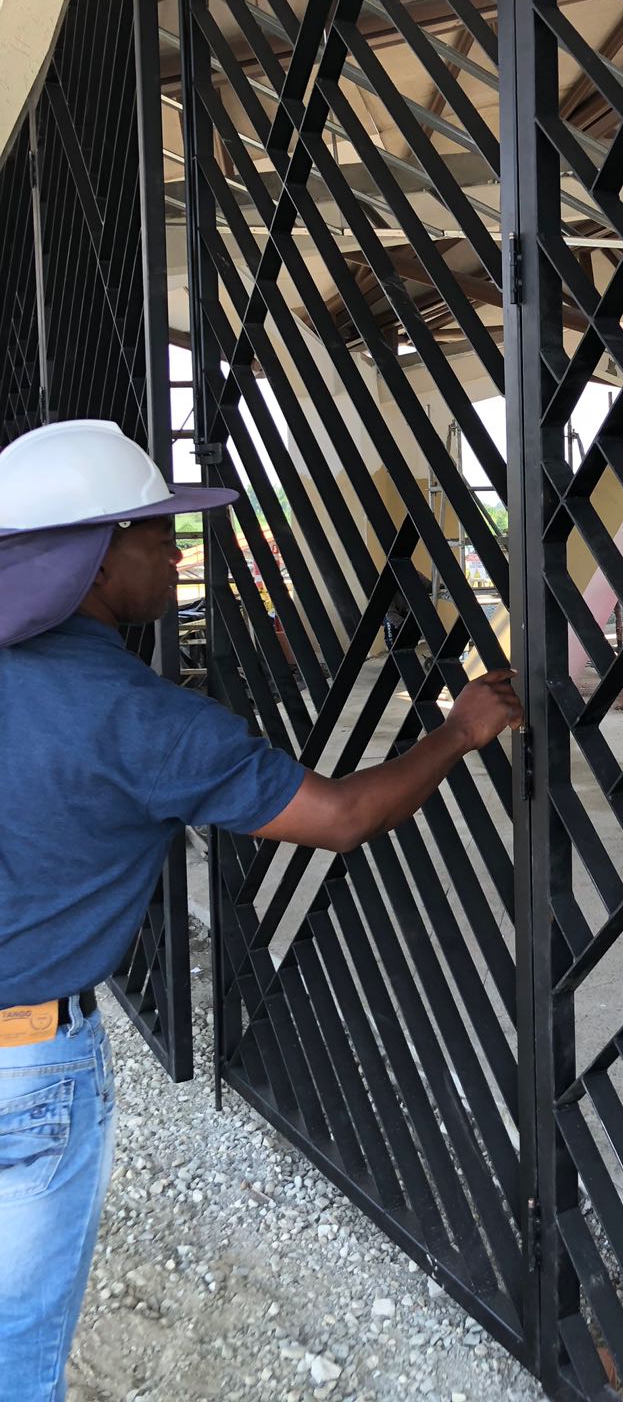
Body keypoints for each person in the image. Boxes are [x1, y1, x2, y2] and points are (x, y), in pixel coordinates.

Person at [0, 419, 523, 1401]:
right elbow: (340, 816)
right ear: (97, 552)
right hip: (28, 1067)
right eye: (158, 534)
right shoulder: (143, 718)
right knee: (14, 1352)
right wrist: (458, 730)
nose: (177, 552)